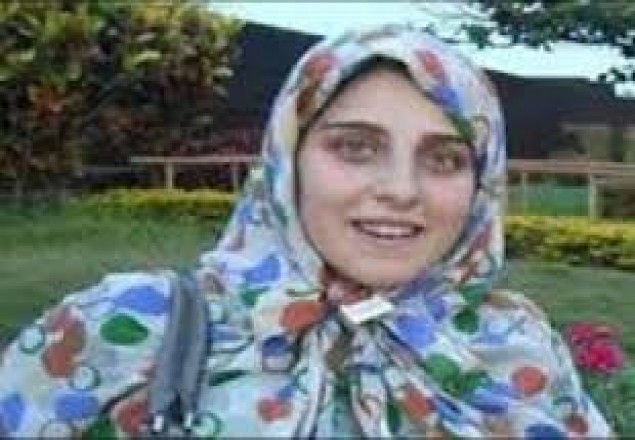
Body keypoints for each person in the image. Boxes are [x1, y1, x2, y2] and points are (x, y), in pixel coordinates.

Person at [0, 24, 611, 437]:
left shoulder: (514, 346)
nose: (402, 189)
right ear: (287, 161)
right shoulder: (130, 327)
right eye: (355, 148)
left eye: (445, 158)